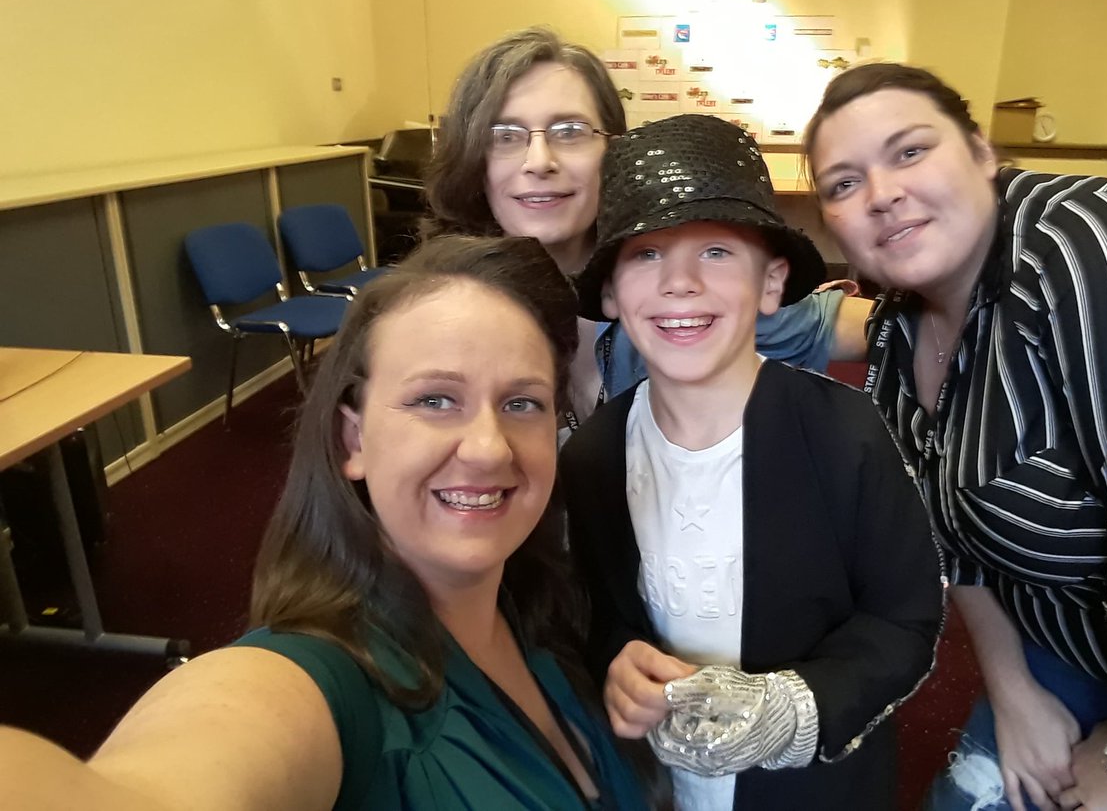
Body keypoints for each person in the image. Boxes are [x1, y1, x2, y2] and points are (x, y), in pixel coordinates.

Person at [0, 236, 651, 811]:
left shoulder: (542, 607)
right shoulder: (312, 685)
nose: (488, 447)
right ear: (353, 439)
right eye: (435, 399)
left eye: (521, 402)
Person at [804, 61, 1107, 811]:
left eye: (910, 151)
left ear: (984, 154)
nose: (883, 193)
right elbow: (945, 537)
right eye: (844, 184)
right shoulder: (896, 332)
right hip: (1072, 649)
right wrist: (1012, 690)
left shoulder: (1098, 251)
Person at [559, 114, 945, 810]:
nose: (680, 283)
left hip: (810, 791)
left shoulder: (844, 435)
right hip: (661, 784)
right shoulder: (594, 456)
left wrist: (803, 706)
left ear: (771, 285)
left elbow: (903, 618)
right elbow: (602, 612)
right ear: (613, 295)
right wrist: (616, 661)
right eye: (646, 254)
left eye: (715, 252)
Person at [424, 27, 872, 424]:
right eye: (505, 137)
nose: (539, 161)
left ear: (615, 150)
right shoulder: (445, 309)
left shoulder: (683, 286)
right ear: (474, 160)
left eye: (569, 132)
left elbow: (883, 330)